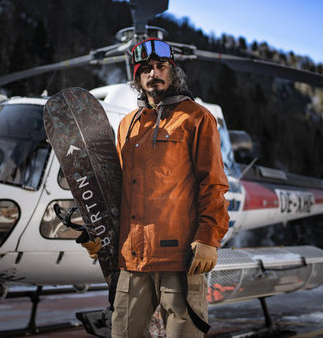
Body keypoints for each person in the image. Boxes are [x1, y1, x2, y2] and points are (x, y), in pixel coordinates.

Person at [85, 38, 230, 337]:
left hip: (179, 260)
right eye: (146, 69)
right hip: (131, 260)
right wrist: (101, 234)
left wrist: (208, 238)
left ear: (173, 72)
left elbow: (213, 183)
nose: (154, 73)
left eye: (161, 66)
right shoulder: (128, 124)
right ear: (138, 79)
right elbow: (117, 191)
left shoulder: (197, 118)